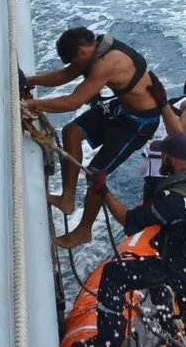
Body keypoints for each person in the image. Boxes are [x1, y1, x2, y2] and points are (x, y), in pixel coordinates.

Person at [22, 27, 176, 248]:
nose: (74, 68)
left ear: (82, 51)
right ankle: (67, 198)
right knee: (71, 131)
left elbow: (74, 101)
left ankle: (84, 231)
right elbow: (67, 74)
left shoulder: (108, 62)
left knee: (96, 173)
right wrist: (29, 80)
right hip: (121, 109)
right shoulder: (95, 49)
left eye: (74, 61)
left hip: (139, 123)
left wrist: (34, 104)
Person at [70, 131, 186, 347]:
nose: (162, 160)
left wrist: (103, 192)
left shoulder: (172, 201)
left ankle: (108, 342)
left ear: (174, 160)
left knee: (113, 275)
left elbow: (128, 221)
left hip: (175, 266)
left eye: (165, 156)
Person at [142, 76, 186, 203]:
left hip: (151, 159)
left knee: (155, 204)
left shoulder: (172, 105)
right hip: (169, 160)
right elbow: (180, 132)